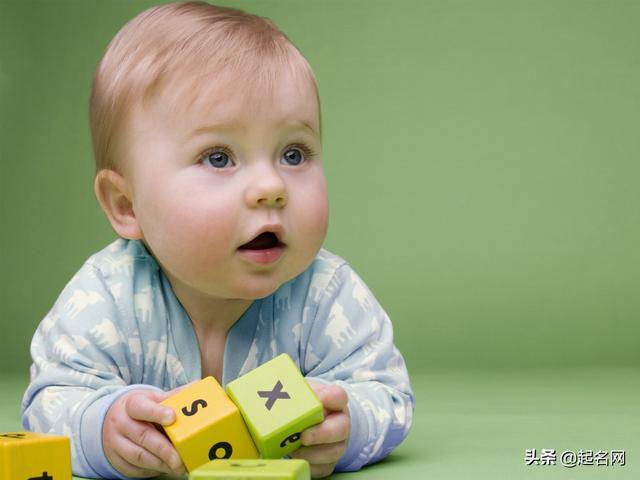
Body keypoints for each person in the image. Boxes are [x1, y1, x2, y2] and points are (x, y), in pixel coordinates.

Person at [21, 2, 414, 478]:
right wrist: (102, 426)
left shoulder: (327, 294)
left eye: (294, 153)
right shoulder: (105, 296)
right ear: (126, 205)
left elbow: (389, 394)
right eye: (218, 157)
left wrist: (347, 425)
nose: (271, 186)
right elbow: (50, 399)